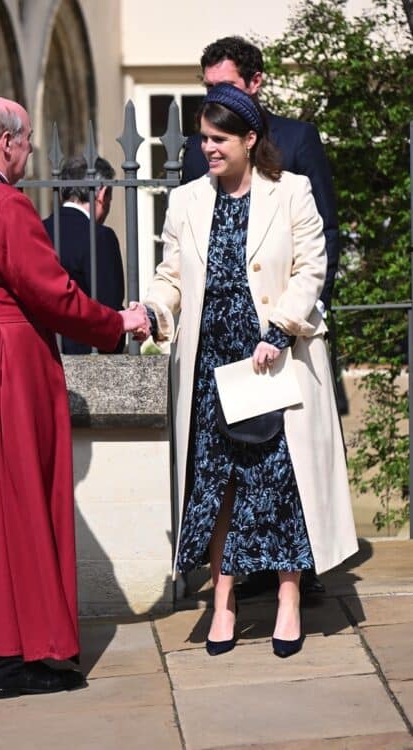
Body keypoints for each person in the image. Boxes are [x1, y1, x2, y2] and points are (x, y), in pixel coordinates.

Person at [0, 96, 149, 699]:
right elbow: (54, 296)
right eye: (26, 145)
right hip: (7, 364)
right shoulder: (7, 207)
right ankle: (20, 659)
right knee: (20, 503)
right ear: (5, 141)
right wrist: (116, 323)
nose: (29, 155)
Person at [139, 84, 357, 658]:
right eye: (203, 139)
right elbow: (171, 277)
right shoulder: (186, 201)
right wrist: (154, 309)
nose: (207, 148)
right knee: (219, 487)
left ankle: (288, 600)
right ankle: (224, 602)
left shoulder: (292, 193)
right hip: (212, 365)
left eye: (218, 139)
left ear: (249, 139)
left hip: (272, 361)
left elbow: (312, 267)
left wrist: (279, 327)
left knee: (280, 484)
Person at [182, 35, 340, 597]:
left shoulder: (296, 144)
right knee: (222, 476)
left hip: (279, 339)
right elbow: (184, 255)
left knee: (284, 469)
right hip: (216, 351)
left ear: (255, 82)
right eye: (208, 90)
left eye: (224, 86)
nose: (207, 144)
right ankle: (236, 584)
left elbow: (322, 245)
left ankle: (297, 581)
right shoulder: (199, 157)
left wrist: (295, 321)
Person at [43, 156, 126, 354]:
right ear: (102, 193)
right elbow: (109, 306)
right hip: (87, 352)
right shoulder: (100, 237)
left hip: (44, 350)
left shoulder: (38, 229)